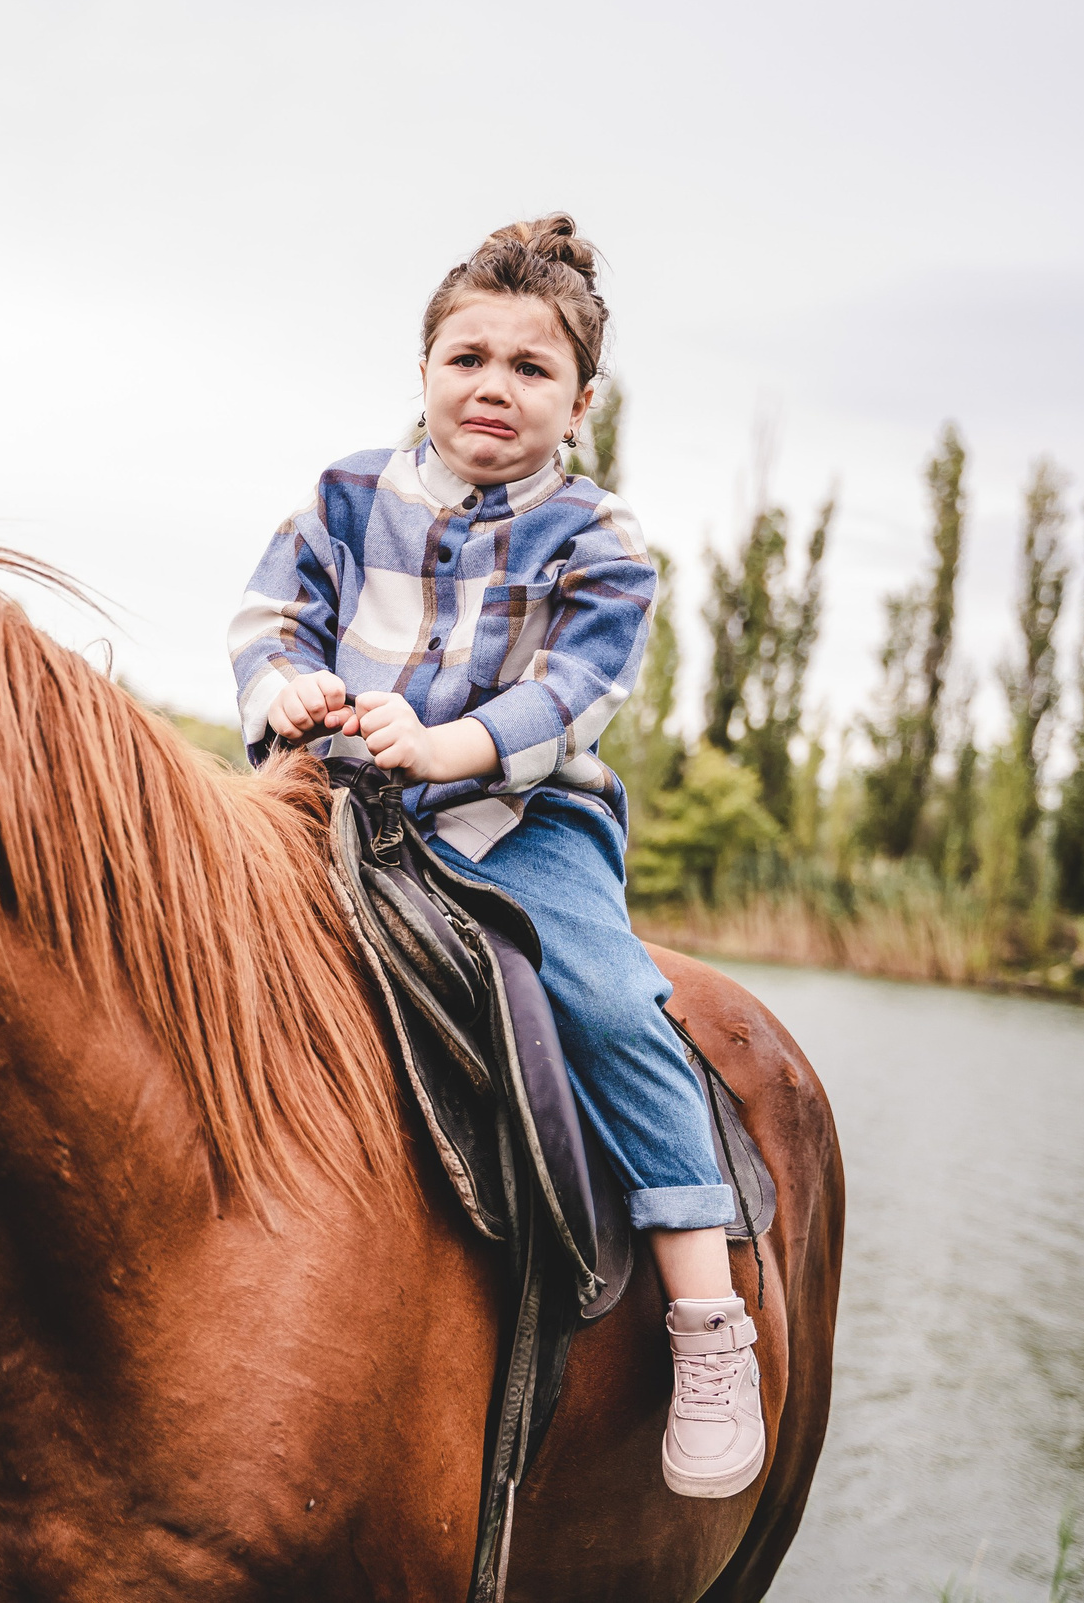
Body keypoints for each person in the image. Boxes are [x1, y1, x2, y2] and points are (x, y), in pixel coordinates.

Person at [227, 214, 765, 1500]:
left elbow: (576, 692)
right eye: (468, 356)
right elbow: (269, 620)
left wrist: (448, 742)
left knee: (612, 1007)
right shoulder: (344, 496)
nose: (493, 387)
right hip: (328, 802)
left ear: (579, 402)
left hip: (519, 823)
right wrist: (291, 692)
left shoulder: (602, 539)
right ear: (423, 371)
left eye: (530, 370)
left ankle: (706, 1320)